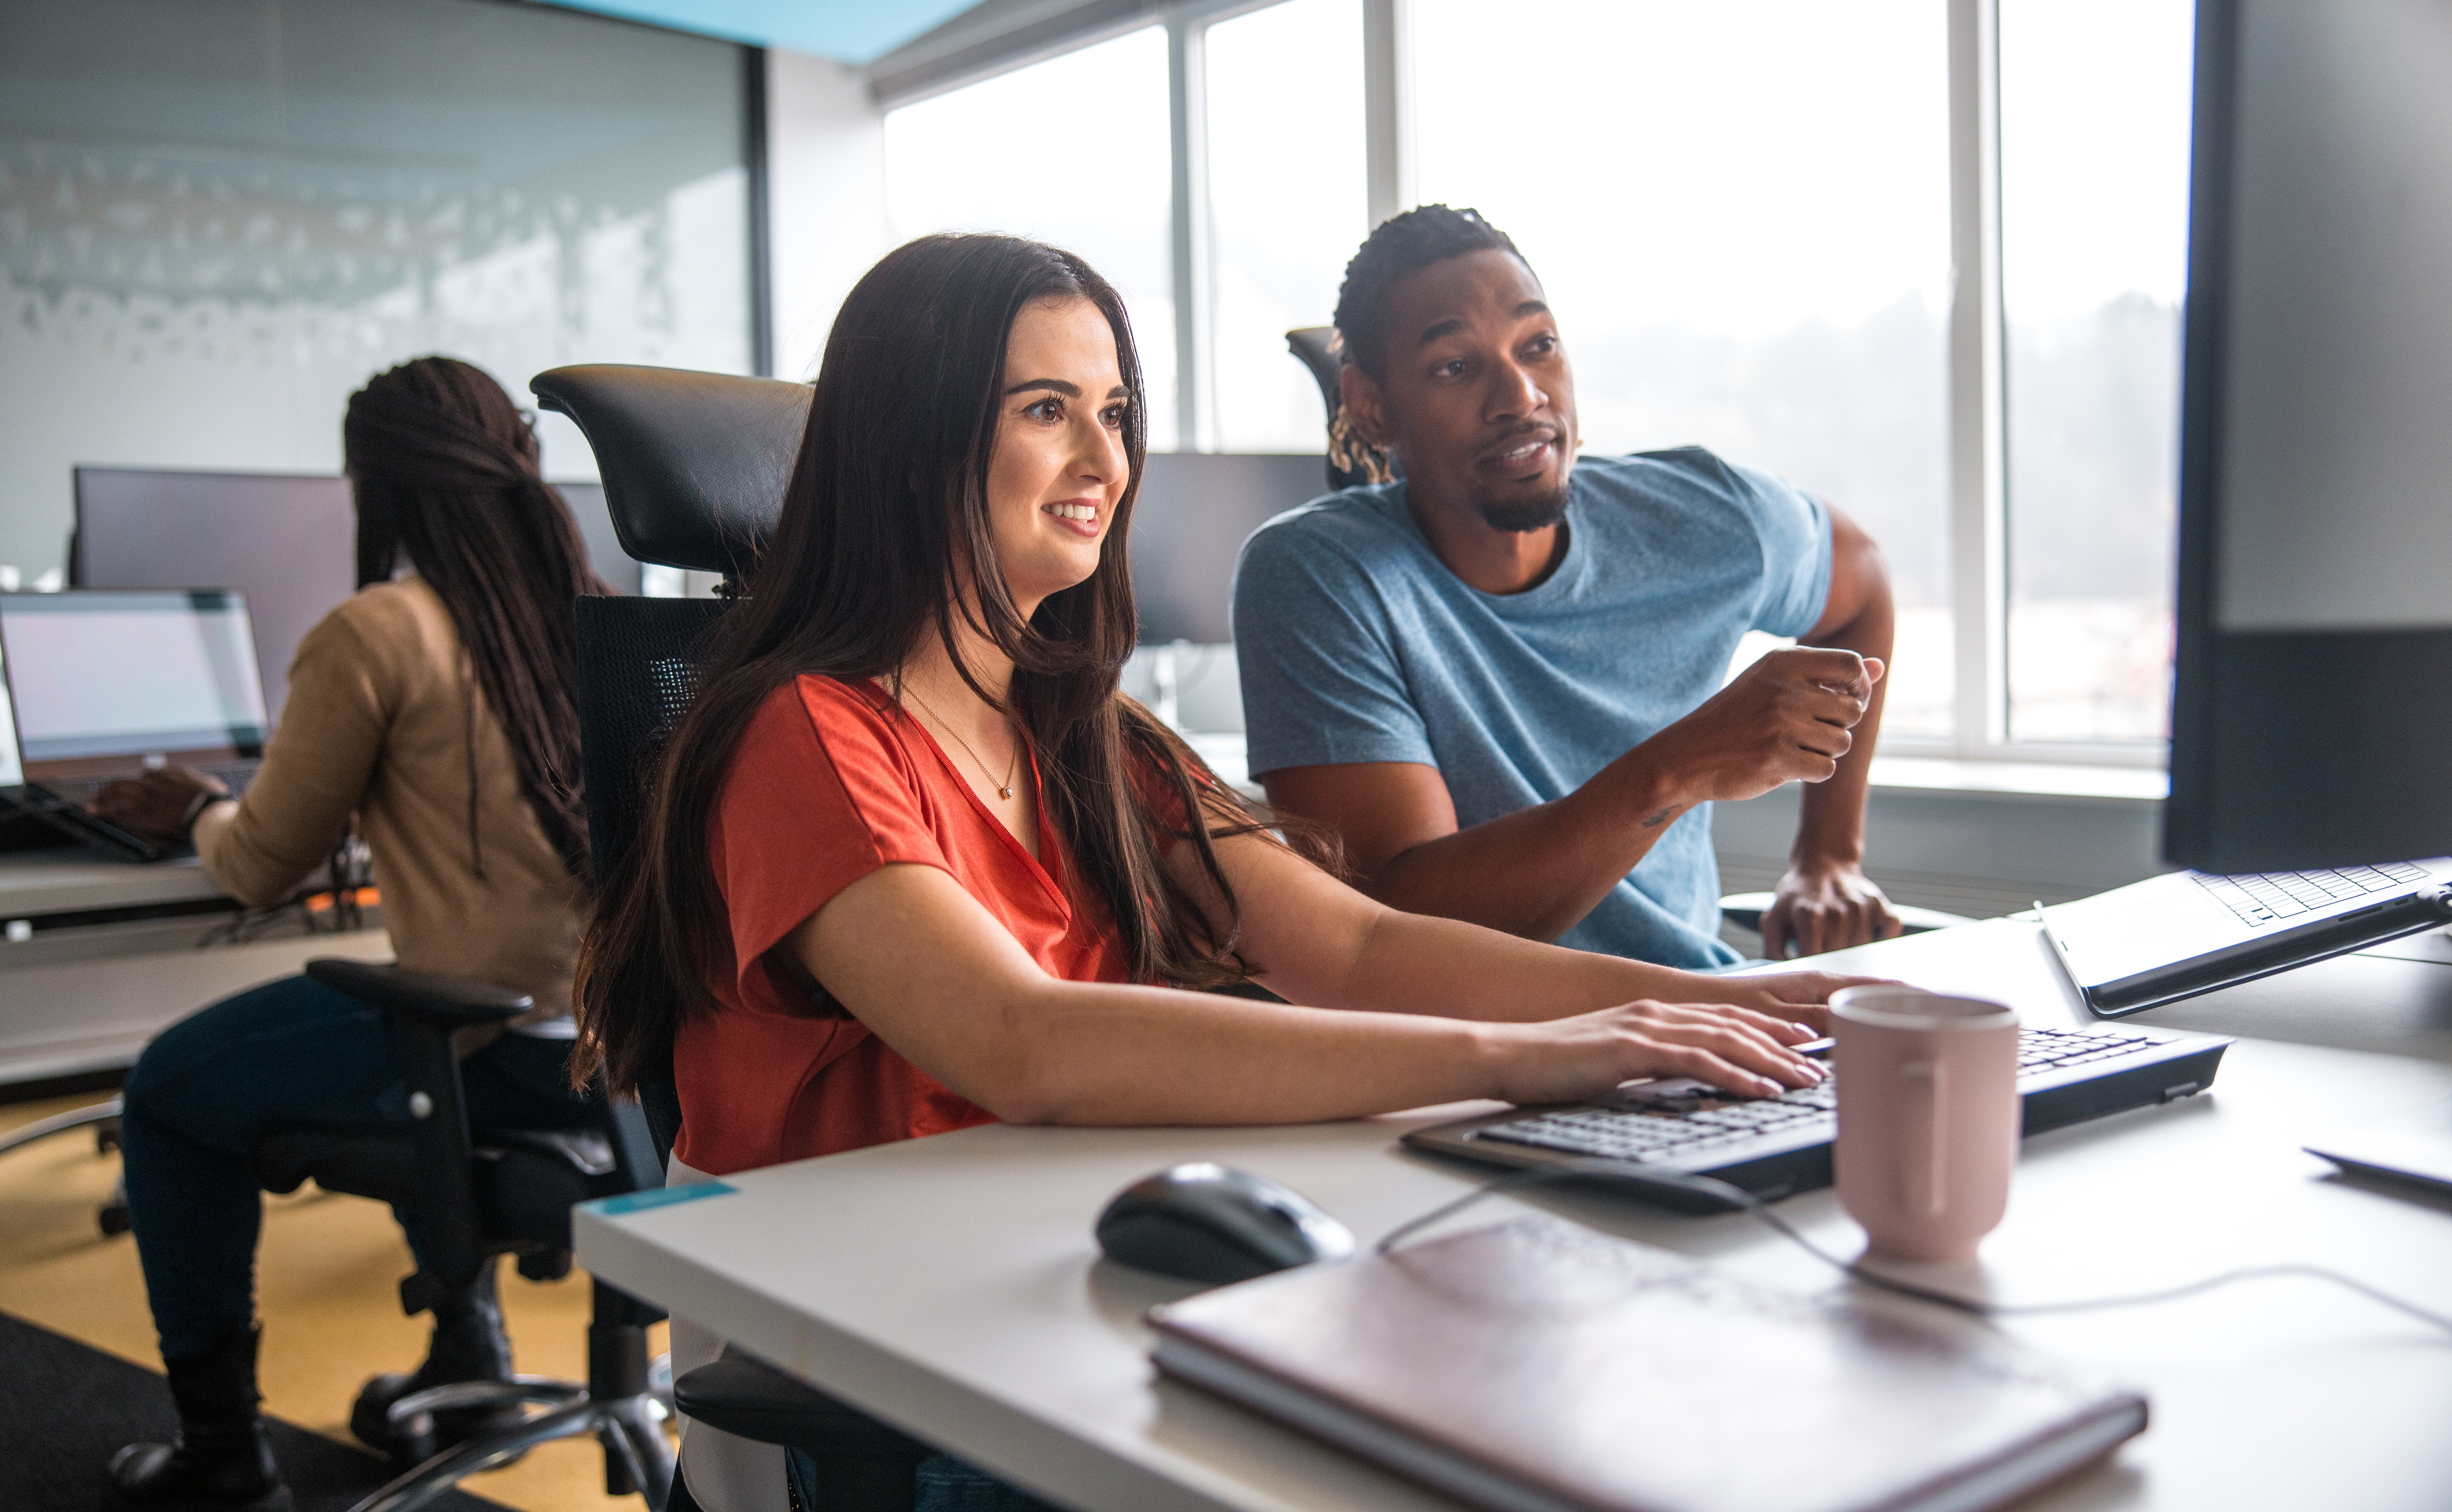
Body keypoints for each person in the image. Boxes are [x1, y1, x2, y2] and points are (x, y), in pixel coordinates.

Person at [573, 233, 1884, 1512]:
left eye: (1115, 411)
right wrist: (1518, 1055)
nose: (1104, 460)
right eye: (1048, 411)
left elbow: (1355, 948)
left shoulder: (1087, 732)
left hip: (1046, 1285)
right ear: (917, 448)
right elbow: (1021, 1042)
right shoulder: (806, 733)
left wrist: (1723, 1011)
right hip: (880, 1364)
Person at [87, 357, 609, 1511]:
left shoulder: (380, 630)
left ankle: (223, 1455)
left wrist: (192, 807)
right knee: (400, 1017)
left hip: (487, 1048)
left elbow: (262, 861)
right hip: (615, 1064)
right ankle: (468, 1363)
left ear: (375, 485)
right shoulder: (597, 616)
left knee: (171, 1095)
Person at [1232, 205, 1903, 971]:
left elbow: (1864, 586)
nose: (1520, 396)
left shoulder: (1705, 518)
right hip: (1478, 1057)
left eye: (1539, 345)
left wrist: (1829, 855)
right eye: (1455, 365)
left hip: (1708, 1017)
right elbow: (1400, 925)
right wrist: (1679, 766)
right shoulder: (1319, 577)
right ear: (1371, 405)